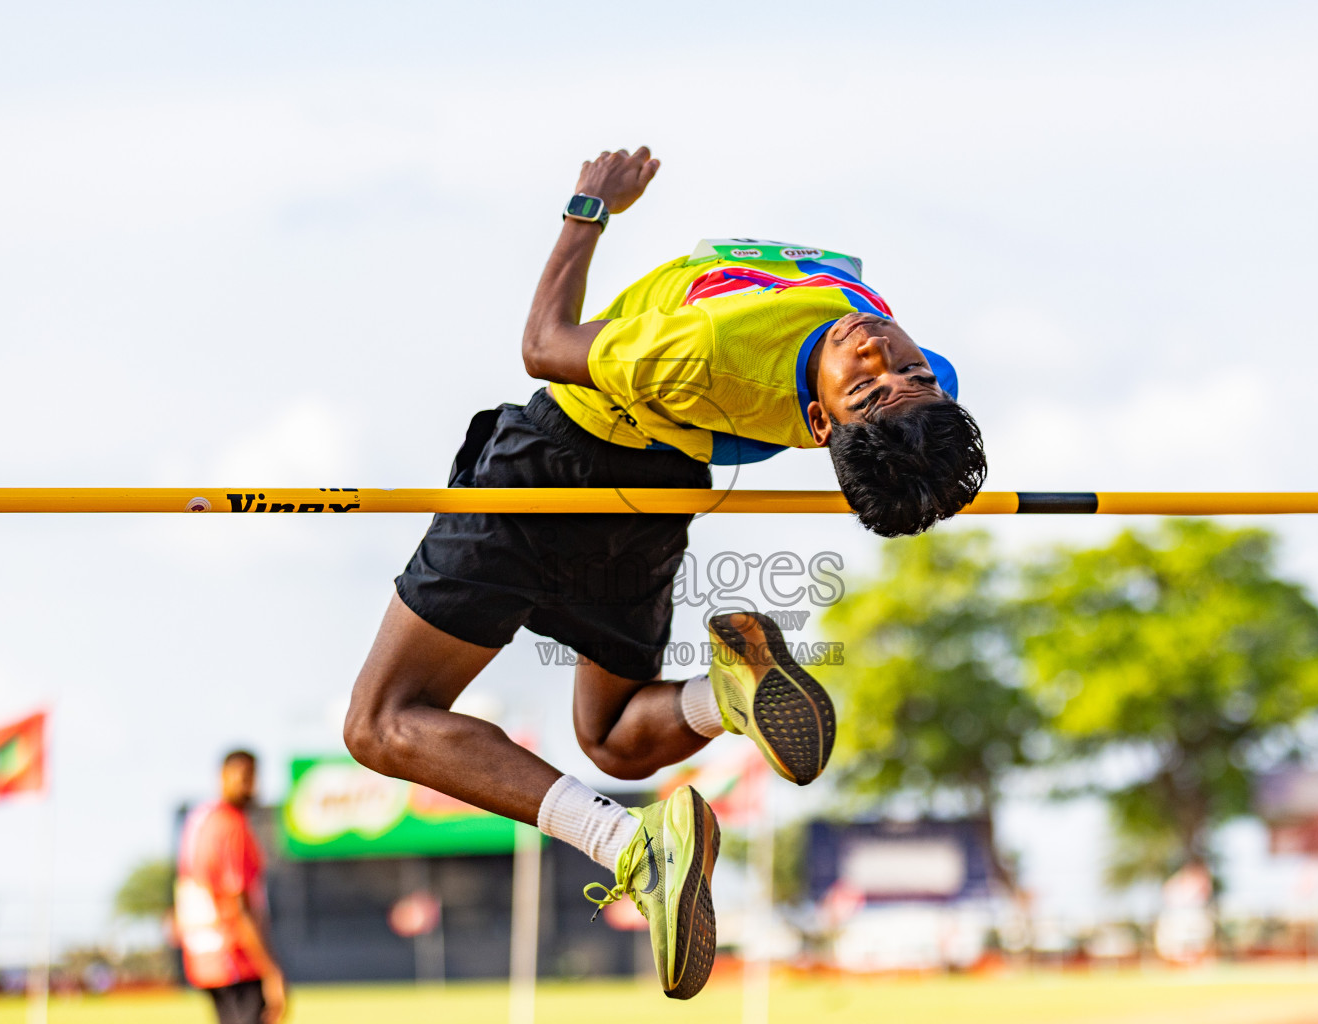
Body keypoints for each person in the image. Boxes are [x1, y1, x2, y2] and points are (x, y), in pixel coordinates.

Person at [344, 146, 986, 999]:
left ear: (816, 419)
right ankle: (724, 695)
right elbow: (909, 435)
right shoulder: (920, 385)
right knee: (614, 738)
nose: (880, 354)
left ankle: (628, 845)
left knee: (383, 722)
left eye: (869, 388)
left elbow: (543, 346)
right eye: (905, 370)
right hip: (657, 486)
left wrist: (589, 206)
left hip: (553, 467)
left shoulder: (700, 352)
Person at [174, 750, 287, 1024]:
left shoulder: (200, 820)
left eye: (253, 777)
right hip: (236, 958)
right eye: (244, 777)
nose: (250, 786)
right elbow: (240, 907)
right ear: (222, 776)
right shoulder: (230, 825)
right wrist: (272, 971)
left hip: (204, 958)